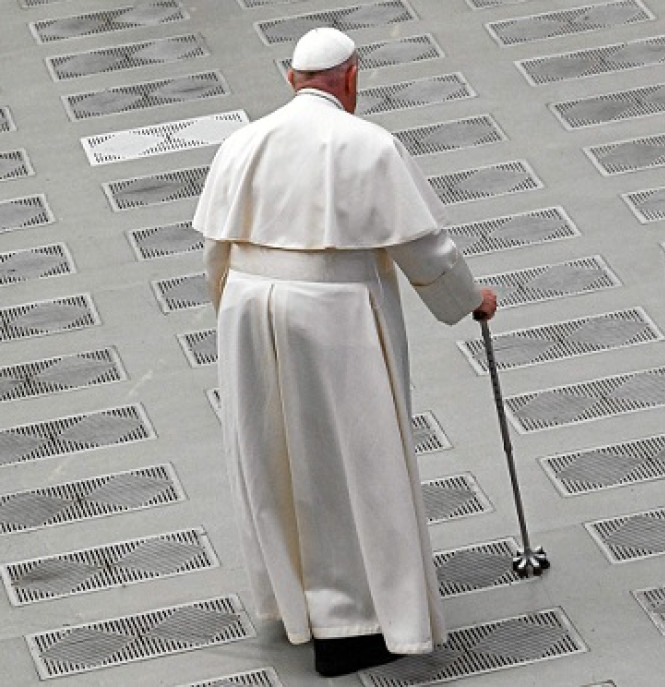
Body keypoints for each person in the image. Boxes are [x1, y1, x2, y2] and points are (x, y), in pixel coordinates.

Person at [192, 27, 497, 677]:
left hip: (247, 306)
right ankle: (354, 622)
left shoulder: (241, 142)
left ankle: (293, 603)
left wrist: (233, 317)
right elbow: (424, 247)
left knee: (271, 456)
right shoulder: (368, 144)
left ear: (290, 78)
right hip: (333, 314)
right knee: (355, 460)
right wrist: (469, 299)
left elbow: (215, 249)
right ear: (352, 77)